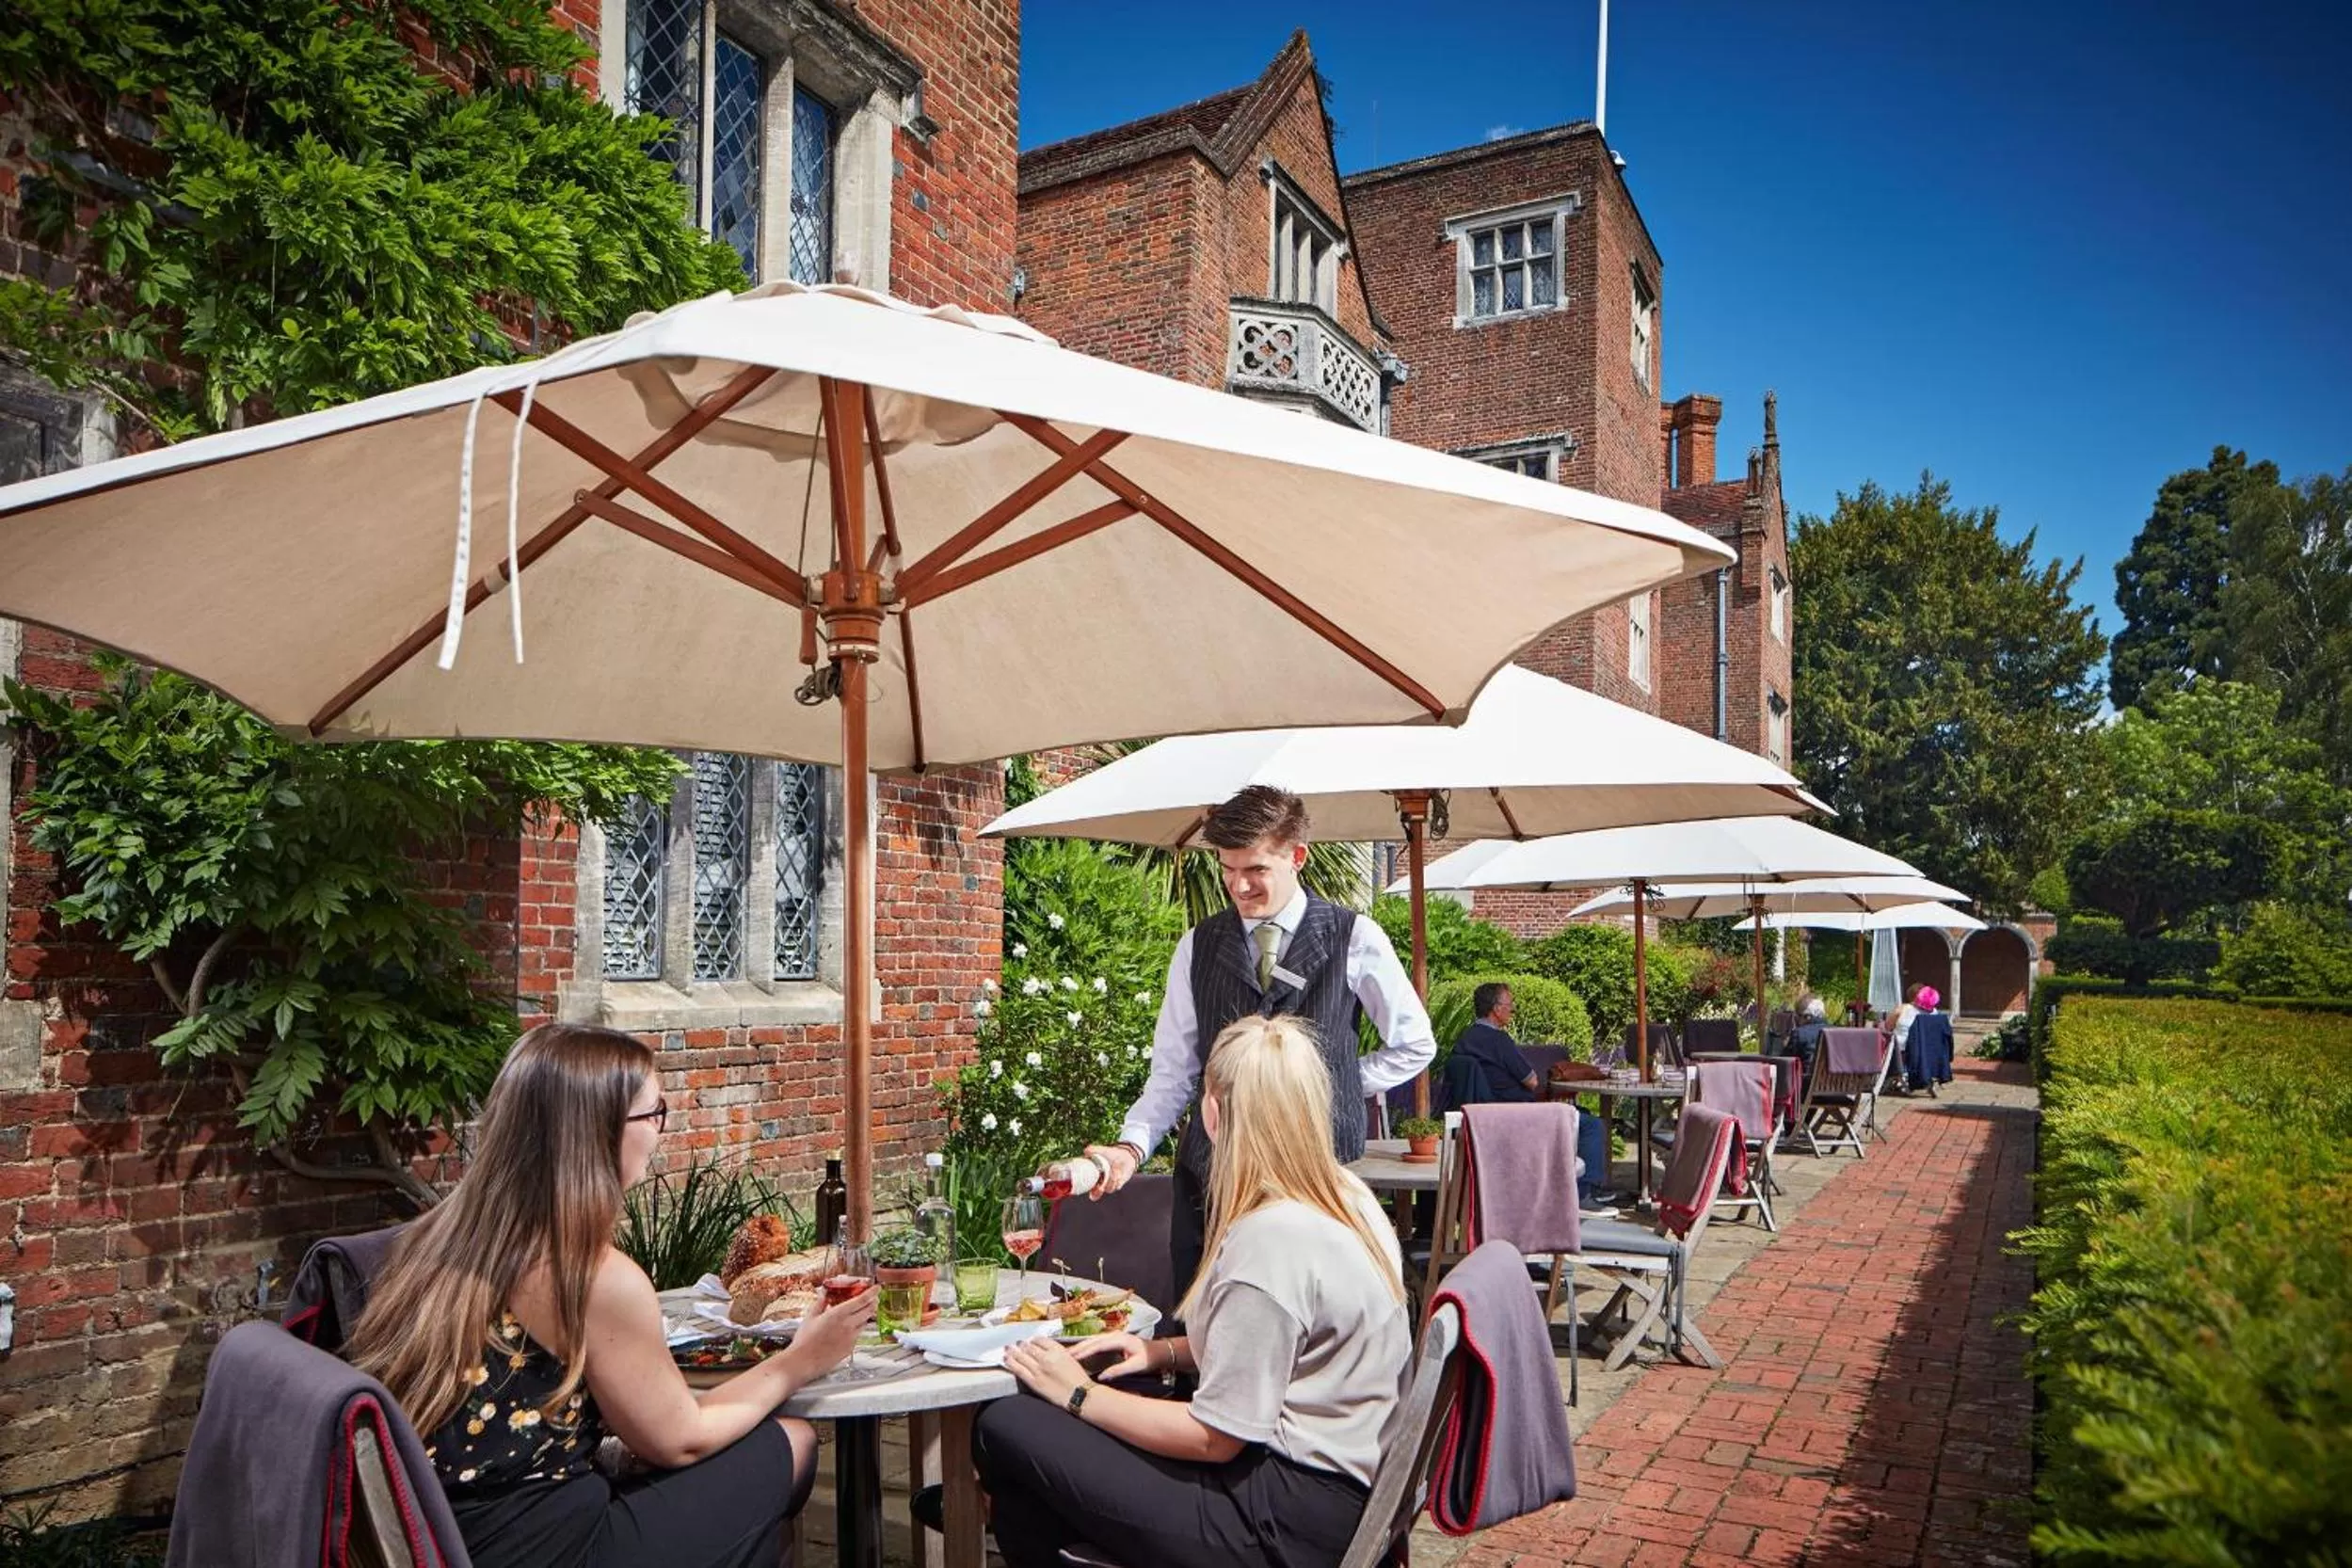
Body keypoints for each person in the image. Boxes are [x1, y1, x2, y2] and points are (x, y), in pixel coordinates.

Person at [346, 1024, 874, 1568]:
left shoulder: (434, 1240)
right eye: (654, 1114)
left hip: (453, 1531)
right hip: (548, 1544)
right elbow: (681, 1439)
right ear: (597, 1133)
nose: (662, 1131)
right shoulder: (587, 1274)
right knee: (790, 1444)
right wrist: (802, 1360)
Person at [974, 1016, 1412, 1568]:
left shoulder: (1272, 1239)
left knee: (1004, 1424)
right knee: (1027, 1481)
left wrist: (1078, 1394)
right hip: (1337, 1491)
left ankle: (1010, 1510)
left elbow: (1216, 1437)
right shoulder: (1347, 1196)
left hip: (1279, 1519)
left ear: (1213, 1111)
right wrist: (1164, 1352)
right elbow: (1285, 1350)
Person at [1081, 785, 1434, 1301]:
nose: (1239, 886)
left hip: (1315, 1179)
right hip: (1212, 1184)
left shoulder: (1355, 937)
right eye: (1228, 869)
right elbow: (1174, 1073)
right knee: (1200, 1332)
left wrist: (1331, 1083)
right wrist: (1131, 1147)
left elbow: (1414, 1043)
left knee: (1309, 1329)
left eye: (1255, 870)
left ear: (1297, 857)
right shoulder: (1197, 946)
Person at [1448, 983, 1619, 1213]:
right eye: (1510, 1005)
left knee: (1582, 1116)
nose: (1512, 1010)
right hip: (1517, 1116)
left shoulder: (1464, 1038)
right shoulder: (1499, 1040)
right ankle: (1583, 1195)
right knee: (1591, 1125)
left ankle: (1571, 1190)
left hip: (1485, 1117)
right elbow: (1532, 1081)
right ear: (1496, 1009)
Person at [1784, 994, 1829, 1077]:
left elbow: (1785, 1062)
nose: (1796, 1020)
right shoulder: (1838, 1033)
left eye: (1797, 1016)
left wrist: (1786, 1045)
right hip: (1838, 1086)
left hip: (1806, 1084)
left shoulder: (1799, 1033)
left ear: (1807, 1017)